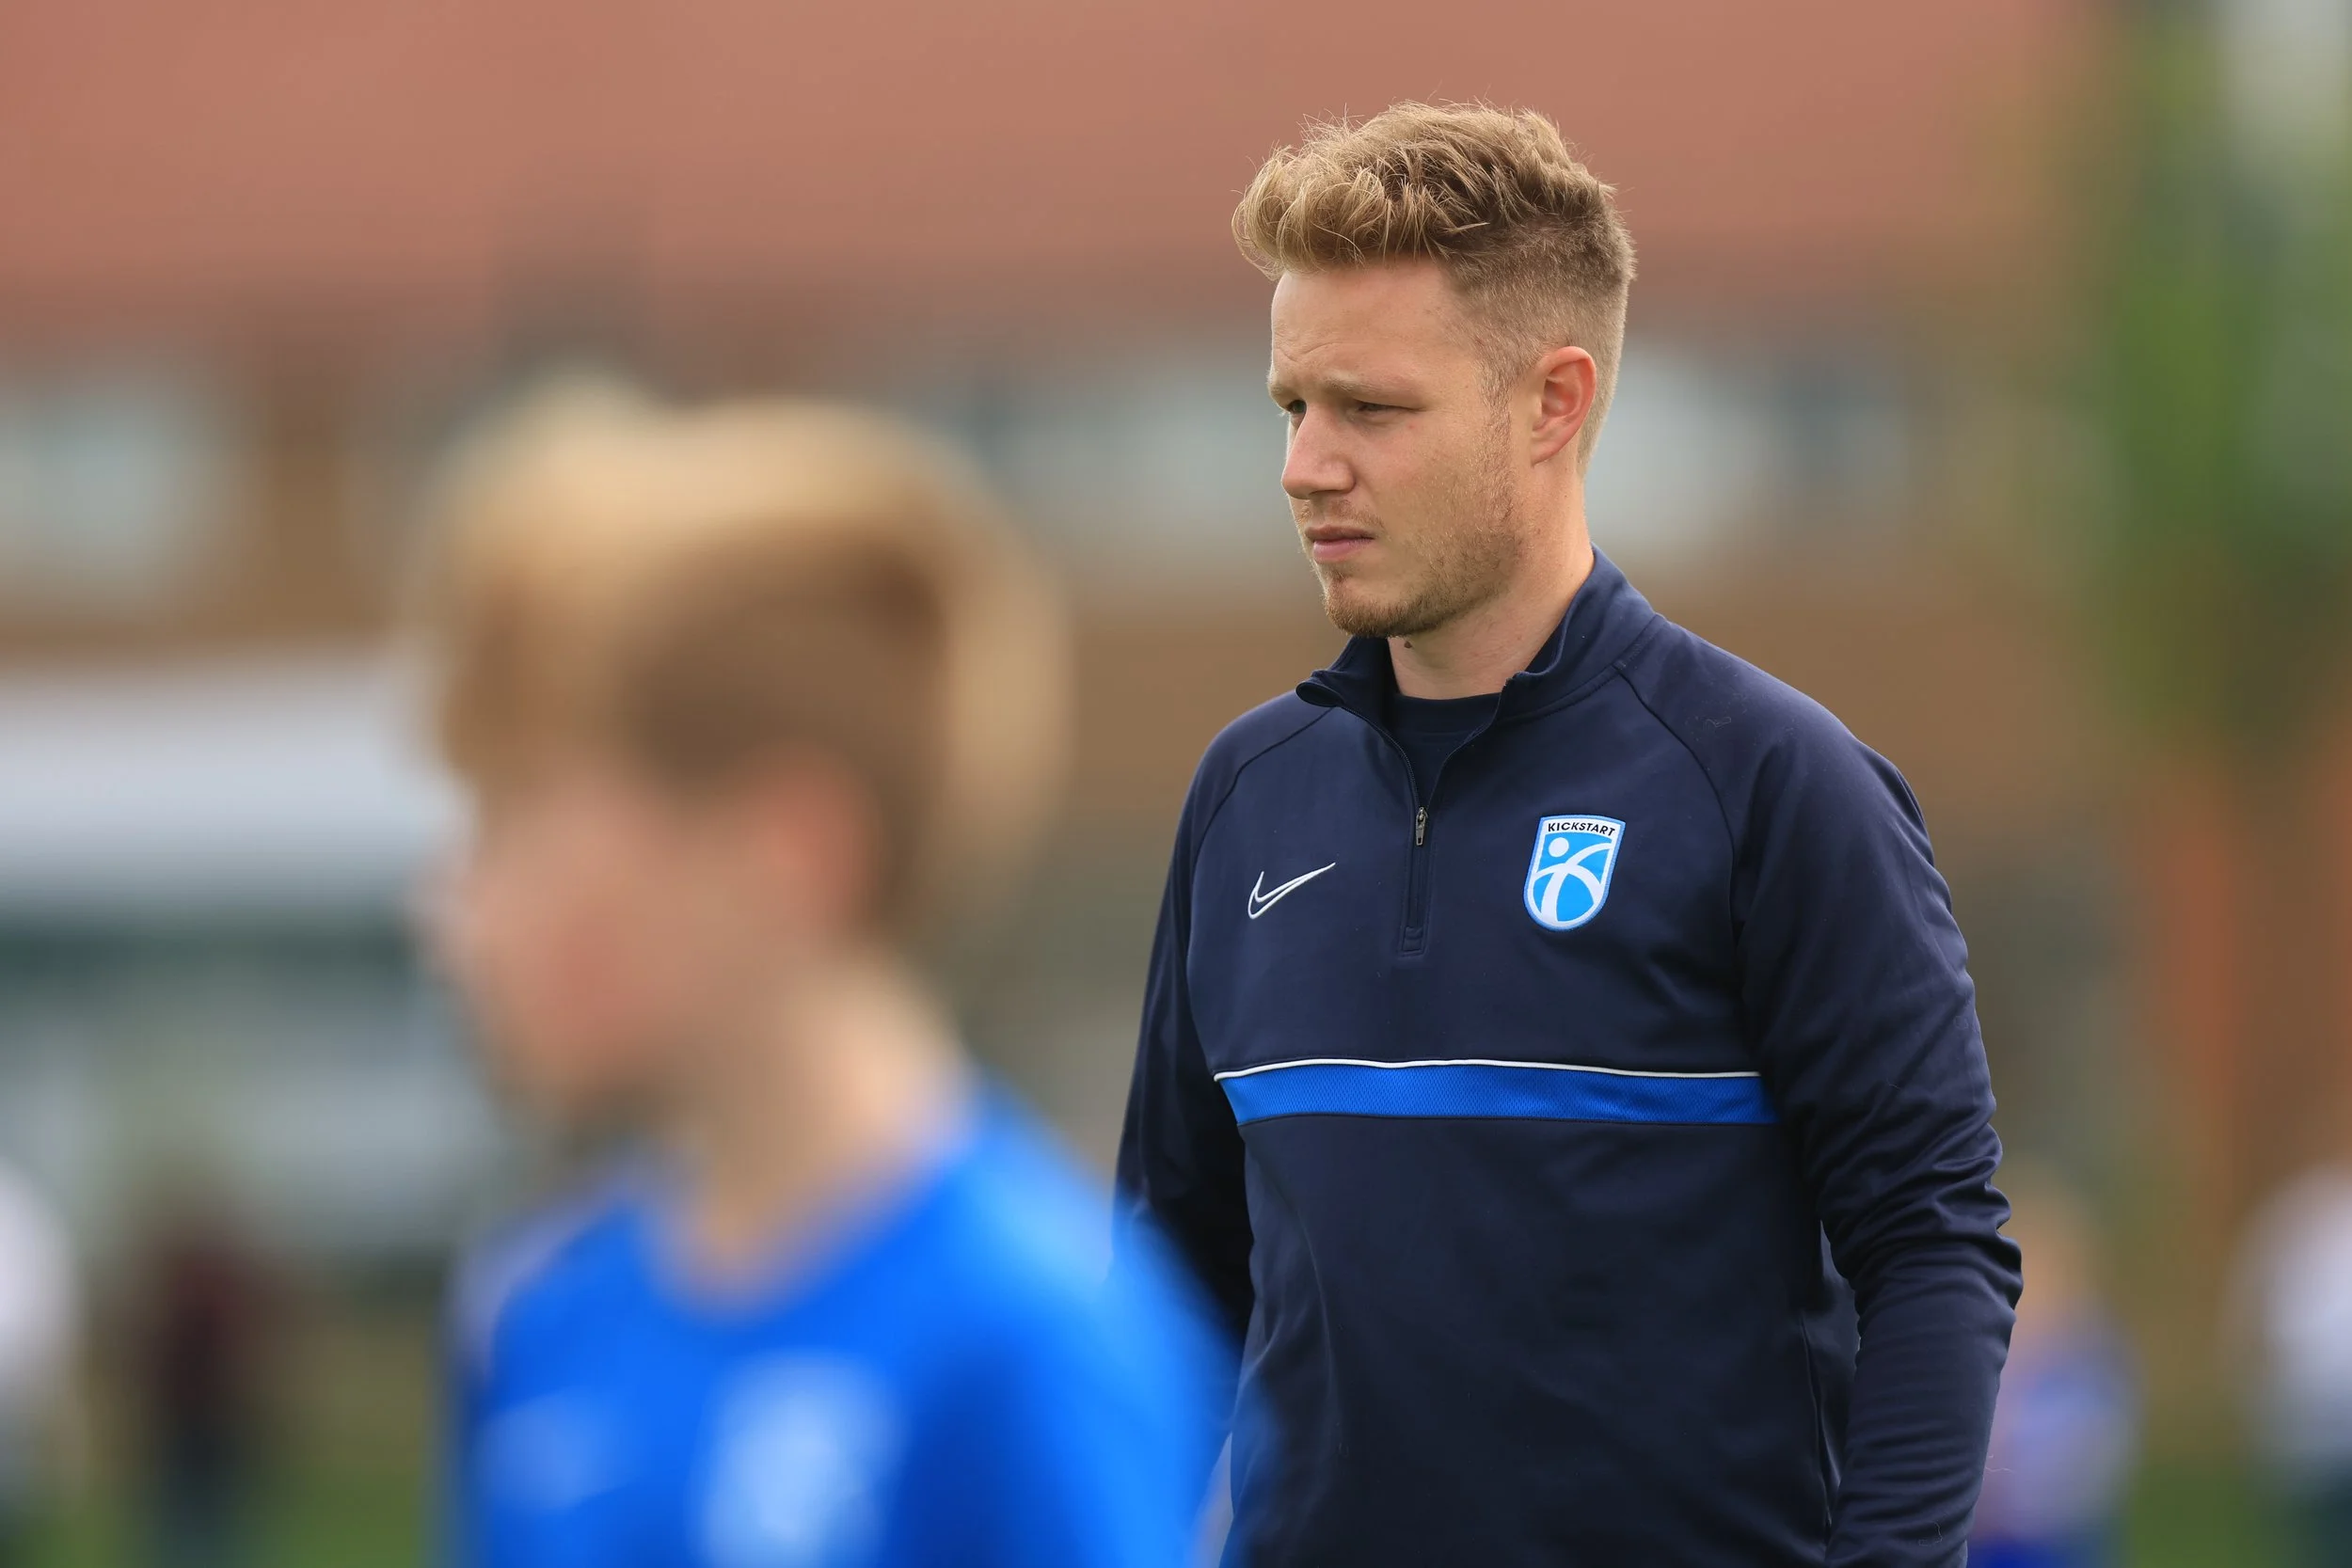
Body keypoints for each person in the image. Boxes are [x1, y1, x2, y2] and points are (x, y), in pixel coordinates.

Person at [1115, 102, 2020, 1566]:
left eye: (1373, 409)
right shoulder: (1245, 794)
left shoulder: (1772, 782)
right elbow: (1171, 1285)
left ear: (1554, 402)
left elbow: (1934, 1247)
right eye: (1294, 407)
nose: (1306, 464)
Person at [421, 386, 1224, 1568]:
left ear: (784, 855)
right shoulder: (537, 1319)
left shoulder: (1030, 1341)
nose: (454, 913)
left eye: (520, 817)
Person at [1968, 1166, 2137, 1568]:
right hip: (1982, 1538)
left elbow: (2095, 1448)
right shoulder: (1985, 1344)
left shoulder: (2089, 1353)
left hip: (2058, 1537)